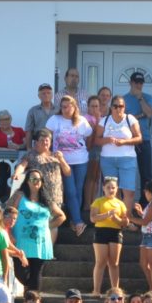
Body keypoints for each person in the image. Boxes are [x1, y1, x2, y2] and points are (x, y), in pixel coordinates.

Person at [7, 169, 63, 292]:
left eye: (38, 179)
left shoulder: (46, 199)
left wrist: (47, 226)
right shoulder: (19, 195)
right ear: (27, 181)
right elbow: (7, 213)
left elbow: (61, 216)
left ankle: (33, 302)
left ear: (42, 182)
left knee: (36, 274)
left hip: (41, 242)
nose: (36, 182)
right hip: (20, 242)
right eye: (33, 179)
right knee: (21, 274)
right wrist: (8, 232)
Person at [12, 128, 72, 244]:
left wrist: (61, 159)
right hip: (39, 195)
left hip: (55, 195)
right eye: (43, 140)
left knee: (54, 222)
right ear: (36, 142)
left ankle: (50, 250)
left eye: (48, 140)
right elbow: (22, 165)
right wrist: (17, 173)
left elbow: (68, 172)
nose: (45, 143)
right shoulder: (31, 155)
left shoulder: (56, 155)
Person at [47, 95, 93, 236]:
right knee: (70, 191)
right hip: (62, 161)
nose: (66, 109)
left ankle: (73, 220)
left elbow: (90, 135)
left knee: (78, 191)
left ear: (75, 107)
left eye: (69, 106)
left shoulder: (82, 121)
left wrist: (87, 150)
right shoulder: (55, 120)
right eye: (63, 106)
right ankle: (78, 221)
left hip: (81, 160)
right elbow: (47, 136)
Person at [95, 95, 142, 212]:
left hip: (127, 159)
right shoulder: (104, 120)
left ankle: (126, 219)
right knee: (112, 191)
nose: (118, 109)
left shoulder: (130, 119)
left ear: (124, 107)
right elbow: (96, 140)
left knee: (128, 191)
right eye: (115, 106)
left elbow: (139, 138)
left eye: (121, 106)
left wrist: (124, 142)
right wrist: (107, 140)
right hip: (108, 160)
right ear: (111, 107)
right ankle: (115, 219)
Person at [90, 176, 129, 296]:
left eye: (113, 187)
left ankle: (115, 290)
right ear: (103, 188)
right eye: (108, 187)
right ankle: (96, 290)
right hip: (101, 231)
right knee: (100, 261)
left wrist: (116, 219)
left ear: (117, 189)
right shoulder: (98, 201)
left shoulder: (120, 204)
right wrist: (107, 214)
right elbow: (93, 218)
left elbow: (125, 222)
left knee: (114, 263)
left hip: (115, 232)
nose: (111, 190)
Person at [129, 180, 152, 294]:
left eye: (146, 191)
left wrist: (129, 218)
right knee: (143, 263)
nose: (145, 193)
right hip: (147, 235)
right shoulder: (151, 203)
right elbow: (148, 217)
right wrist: (140, 212)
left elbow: (145, 222)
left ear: (150, 192)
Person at [123, 71, 152, 188]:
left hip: (144, 140)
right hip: (127, 141)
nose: (139, 85)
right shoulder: (123, 99)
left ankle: (145, 203)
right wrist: (140, 115)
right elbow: (123, 119)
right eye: (136, 82)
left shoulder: (148, 98)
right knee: (125, 174)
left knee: (146, 175)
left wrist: (140, 98)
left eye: (141, 82)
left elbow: (149, 113)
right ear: (130, 83)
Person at [83, 94, 104, 212]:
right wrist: (96, 124)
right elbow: (91, 136)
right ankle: (87, 205)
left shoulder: (102, 119)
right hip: (90, 150)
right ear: (88, 107)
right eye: (92, 106)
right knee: (90, 178)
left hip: (100, 150)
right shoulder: (85, 119)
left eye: (97, 106)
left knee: (96, 178)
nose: (95, 109)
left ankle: (93, 202)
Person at [24, 83, 57, 151]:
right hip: (39, 145)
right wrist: (29, 148)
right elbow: (29, 131)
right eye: (43, 93)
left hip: (56, 145)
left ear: (52, 95)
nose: (46, 95)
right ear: (39, 96)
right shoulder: (33, 110)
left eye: (48, 93)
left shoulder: (59, 109)